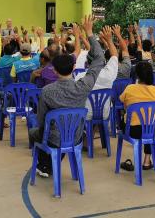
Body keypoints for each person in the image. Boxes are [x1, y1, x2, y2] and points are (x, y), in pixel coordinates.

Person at [29, 15, 104, 177]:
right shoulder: (83, 86)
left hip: (54, 138)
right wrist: (89, 33)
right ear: (73, 67)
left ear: (55, 70)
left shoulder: (47, 91)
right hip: (76, 136)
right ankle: (49, 163)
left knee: (35, 132)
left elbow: (42, 121)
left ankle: (44, 165)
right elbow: (99, 59)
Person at [119, 54, 155, 170]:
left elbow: (125, 107)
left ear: (137, 75)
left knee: (128, 119)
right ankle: (147, 161)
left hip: (133, 130)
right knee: (150, 125)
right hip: (154, 130)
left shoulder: (130, 88)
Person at [75, 25, 118, 121]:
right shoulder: (109, 73)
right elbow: (115, 55)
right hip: (105, 114)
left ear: (87, 63)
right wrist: (109, 40)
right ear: (103, 61)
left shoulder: (80, 76)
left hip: (86, 115)